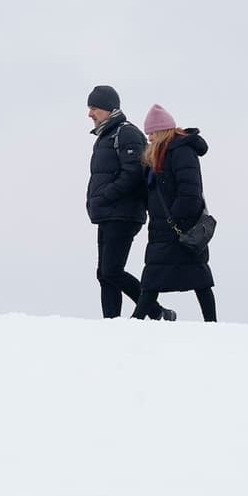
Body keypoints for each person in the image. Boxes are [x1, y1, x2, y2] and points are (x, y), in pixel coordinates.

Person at [85, 85, 174, 320]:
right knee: (104, 274)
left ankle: (156, 312)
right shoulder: (106, 136)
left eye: (94, 108)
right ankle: (111, 321)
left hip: (123, 214)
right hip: (108, 213)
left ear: (108, 108)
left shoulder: (127, 133)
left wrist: (106, 196)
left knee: (111, 271)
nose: (90, 113)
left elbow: (133, 174)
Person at [132, 104, 217, 322]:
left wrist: (175, 219)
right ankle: (136, 320)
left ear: (161, 131)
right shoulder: (160, 155)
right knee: (155, 276)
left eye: (151, 132)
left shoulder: (181, 151)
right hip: (165, 228)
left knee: (195, 277)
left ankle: (136, 320)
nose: (148, 137)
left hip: (179, 227)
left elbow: (190, 192)